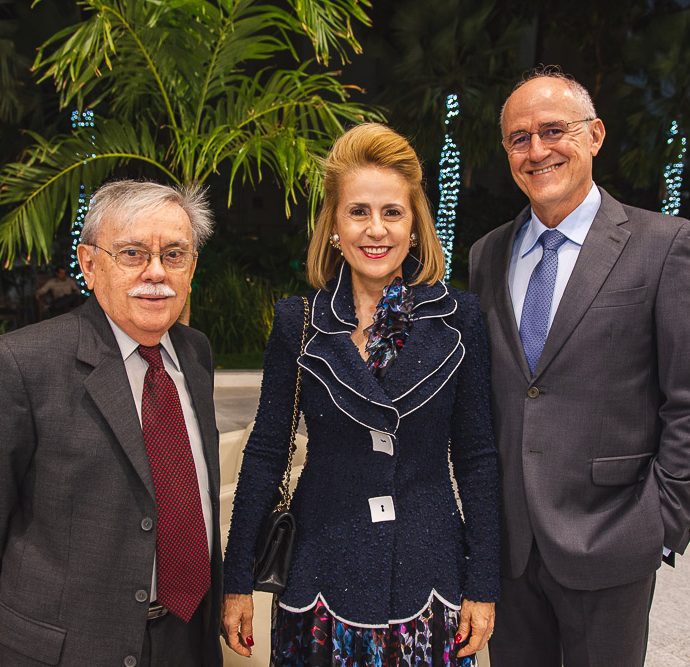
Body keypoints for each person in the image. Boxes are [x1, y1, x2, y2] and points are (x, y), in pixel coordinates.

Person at [223, 123, 500, 665]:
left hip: (432, 579)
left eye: (392, 212)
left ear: (415, 226)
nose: (376, 230)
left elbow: (477, 460)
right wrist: (237, 579)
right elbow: (265, 452)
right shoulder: (297, 323)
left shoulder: (461, 320)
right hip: (321, 579)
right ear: (334, 226)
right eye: (358, 212)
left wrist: (484, 582)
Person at [469, 65, 690, 667]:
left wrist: (663, 521)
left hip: (614, 538)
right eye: (519, 138)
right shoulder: (486, 254)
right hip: (512, 552)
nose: (536, 150)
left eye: (553, 130)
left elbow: (685, 399)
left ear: (594, 135)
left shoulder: (664, 244)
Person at [0, 180, 223, 666]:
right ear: (89, 263)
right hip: (69, 648)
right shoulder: (23, 363)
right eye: (132, 253)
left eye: (174, 254)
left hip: (187, 639)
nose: (156, 273)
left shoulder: (196, 353)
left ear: (193, 268)